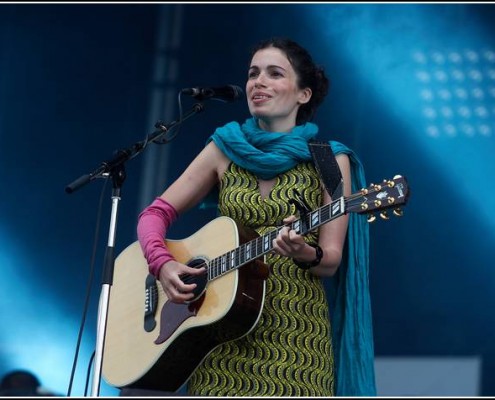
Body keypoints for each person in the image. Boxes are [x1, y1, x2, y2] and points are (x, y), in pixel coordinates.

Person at [137, 37, 376, 396]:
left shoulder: (328, 159)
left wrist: (303, 252)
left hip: (296, 334)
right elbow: (155, 214)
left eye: (274, 74)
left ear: (303, 95)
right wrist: (163, 264)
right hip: (219, 333)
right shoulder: (223, 149)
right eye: (253, 74)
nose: (257, 82)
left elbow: (331, 260)